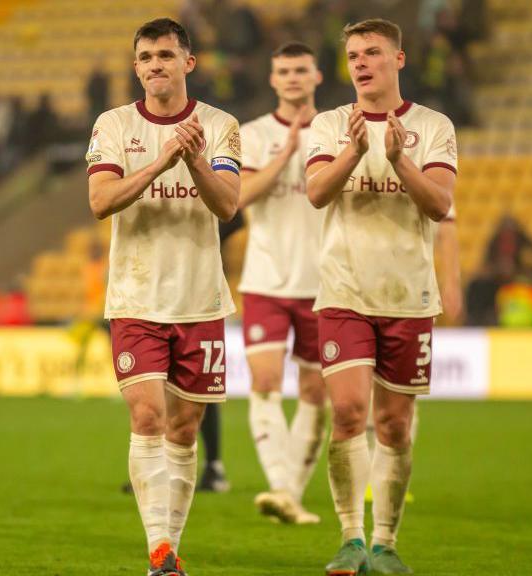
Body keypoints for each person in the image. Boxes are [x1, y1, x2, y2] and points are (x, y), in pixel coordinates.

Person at [87, 18, 241, 576]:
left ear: (188, 63)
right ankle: (158, 550)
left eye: (166, 55)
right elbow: (100, 201)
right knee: (147, 415)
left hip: (200, 298)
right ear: (136, 67)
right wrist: (160, 162)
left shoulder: (219, 125)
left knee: (184, 429)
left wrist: (194, 158)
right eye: (146, 57)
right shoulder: (114, 124)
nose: (156, 65)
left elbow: (226, 205)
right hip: (135, 297)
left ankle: (170, 547)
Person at [305, 19, 457, 575]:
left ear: (399, 58)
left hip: (409, 295)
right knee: (347, 411)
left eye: (372, 52)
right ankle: (350, 539)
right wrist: (352, 153)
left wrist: (398, 160)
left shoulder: (433, 127)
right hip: (345, 290)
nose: (361, 63)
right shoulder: (328, 125)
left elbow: (440, 204)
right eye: (352, 55)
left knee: (393, 426)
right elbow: (317, 193)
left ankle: (386, 544)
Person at [237, 41, 326, 525]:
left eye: (300, 70)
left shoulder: (334, 130)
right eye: (283, 70)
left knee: (315, 393)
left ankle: (290, 493)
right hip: (266, 278)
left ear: (316, 76)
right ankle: (280, 486)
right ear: (272, 80)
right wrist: (285, 154)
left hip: (324, 282)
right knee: (265, 382)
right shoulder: (252, 135)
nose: (291, 77)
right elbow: (239, 195)